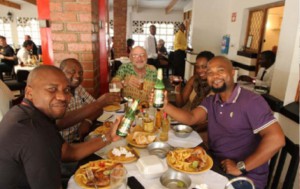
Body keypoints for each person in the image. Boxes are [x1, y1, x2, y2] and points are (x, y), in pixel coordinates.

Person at [154, 56, 285, 189]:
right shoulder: (212, 100)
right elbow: (191, 117)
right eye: (210, 73)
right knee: (172, 176)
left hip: (244, 178)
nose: (215, 76)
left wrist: (241, 167)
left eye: (220, 71)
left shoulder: (251, 101)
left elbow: (277, 139)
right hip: (217, 166)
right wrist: (165, 106)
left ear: (232, 72)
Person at [0, 65, 121, 188]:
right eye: (52, 89)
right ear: (29, 93)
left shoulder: (28, 113)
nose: (62, 97)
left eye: (66, 90)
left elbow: (68, 152)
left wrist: (108, 137)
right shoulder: (34, 132)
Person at [58, 58, 121, 143]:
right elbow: (60, 123)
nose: (77, 76)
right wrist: (99, 103)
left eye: (80, 73)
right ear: (60, 73)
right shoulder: (57, 94)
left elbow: (98, 109)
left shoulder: (78, 89)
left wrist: (87, 121)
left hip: (81, 139)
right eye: (72, 72)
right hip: (64, 146)